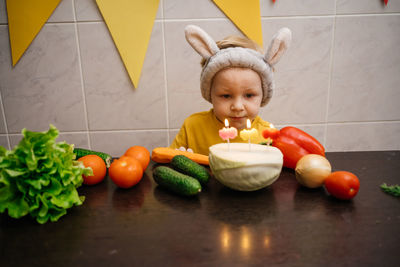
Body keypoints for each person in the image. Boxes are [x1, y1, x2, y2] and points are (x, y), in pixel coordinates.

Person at [170, 25, 292, 155]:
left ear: (263, 95)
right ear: (209, 94)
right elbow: (166, 161)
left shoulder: (269, 137)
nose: (237, 107)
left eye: (249, 95)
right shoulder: (193, 127)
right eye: (226, 96)